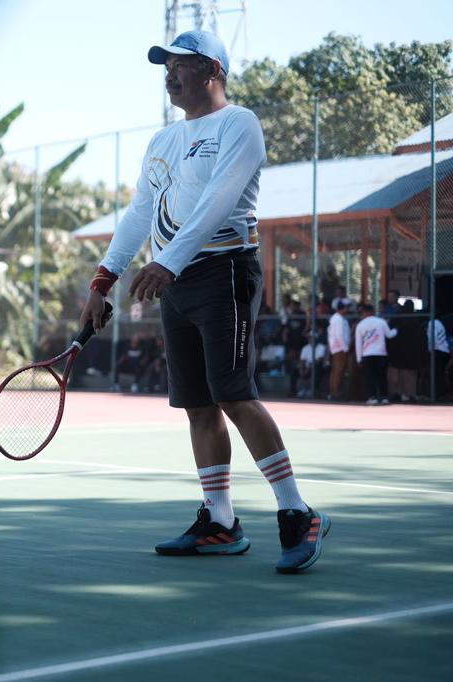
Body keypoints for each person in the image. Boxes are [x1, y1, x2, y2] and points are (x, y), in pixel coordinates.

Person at [81, 30, 329, 574]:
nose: (170, 74)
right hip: (175, 283)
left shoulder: (239, 124)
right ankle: (220, 521)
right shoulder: (163, 140)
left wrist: (168, 261)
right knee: (197, 405)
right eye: (165, 66)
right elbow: (140, 212)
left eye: (181, 64)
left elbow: (219, 200)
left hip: (225, 271)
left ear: (213, 69)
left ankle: (297, 511)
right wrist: (103, 280)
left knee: (234, 394)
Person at [354, 303, 397, 405]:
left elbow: (358, 343)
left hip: (367, 354)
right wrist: (396, 330)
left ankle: (372, 397)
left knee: (370, 377)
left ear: (364, 312)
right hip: (381, 353)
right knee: (382, 376)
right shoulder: (381, 322)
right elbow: (389, 335)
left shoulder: (360, 325)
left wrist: (358, 359)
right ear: (372, 312)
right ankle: (384, 397)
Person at [386, 300, 425, 402]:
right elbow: (421, 340)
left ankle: (395, 394)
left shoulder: (396, 319)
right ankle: (410, 394)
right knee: (410, 375)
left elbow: (390, 334)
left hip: (396, 353)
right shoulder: (416, 322)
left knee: (395, 374)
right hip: (411, 354)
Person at [326, 300, 351, 400]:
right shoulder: (338, 319)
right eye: (347, 307)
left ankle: (333, 392)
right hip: (340, 348)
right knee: (338, 371)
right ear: (343, 308)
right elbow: (339, 335)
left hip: (337, 347)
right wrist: (345, 348)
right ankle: (335, 393)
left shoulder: (338, 318)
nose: (348, 309)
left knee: (336, 370)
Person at [425, 314, 450, 400]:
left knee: (435, 374)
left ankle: (437, 394)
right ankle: (442, 393)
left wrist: (431, 350)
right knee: (440, 374)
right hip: (444, 351)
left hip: (437, 350)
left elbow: (433, 337)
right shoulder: (440, 323)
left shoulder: (431, 323)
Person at [296, 332, 328, 399]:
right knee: (295, 370)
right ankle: (296, 391)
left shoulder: (322, 347)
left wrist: (309, 368)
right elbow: (302, 360)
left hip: (317, 366)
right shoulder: (305, 348)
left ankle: (312, 390)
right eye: (309, 338)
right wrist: (301, 369)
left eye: (312, 338)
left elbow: (319, 360)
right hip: (307, 366)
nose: (310, 339)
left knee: (316, 369)